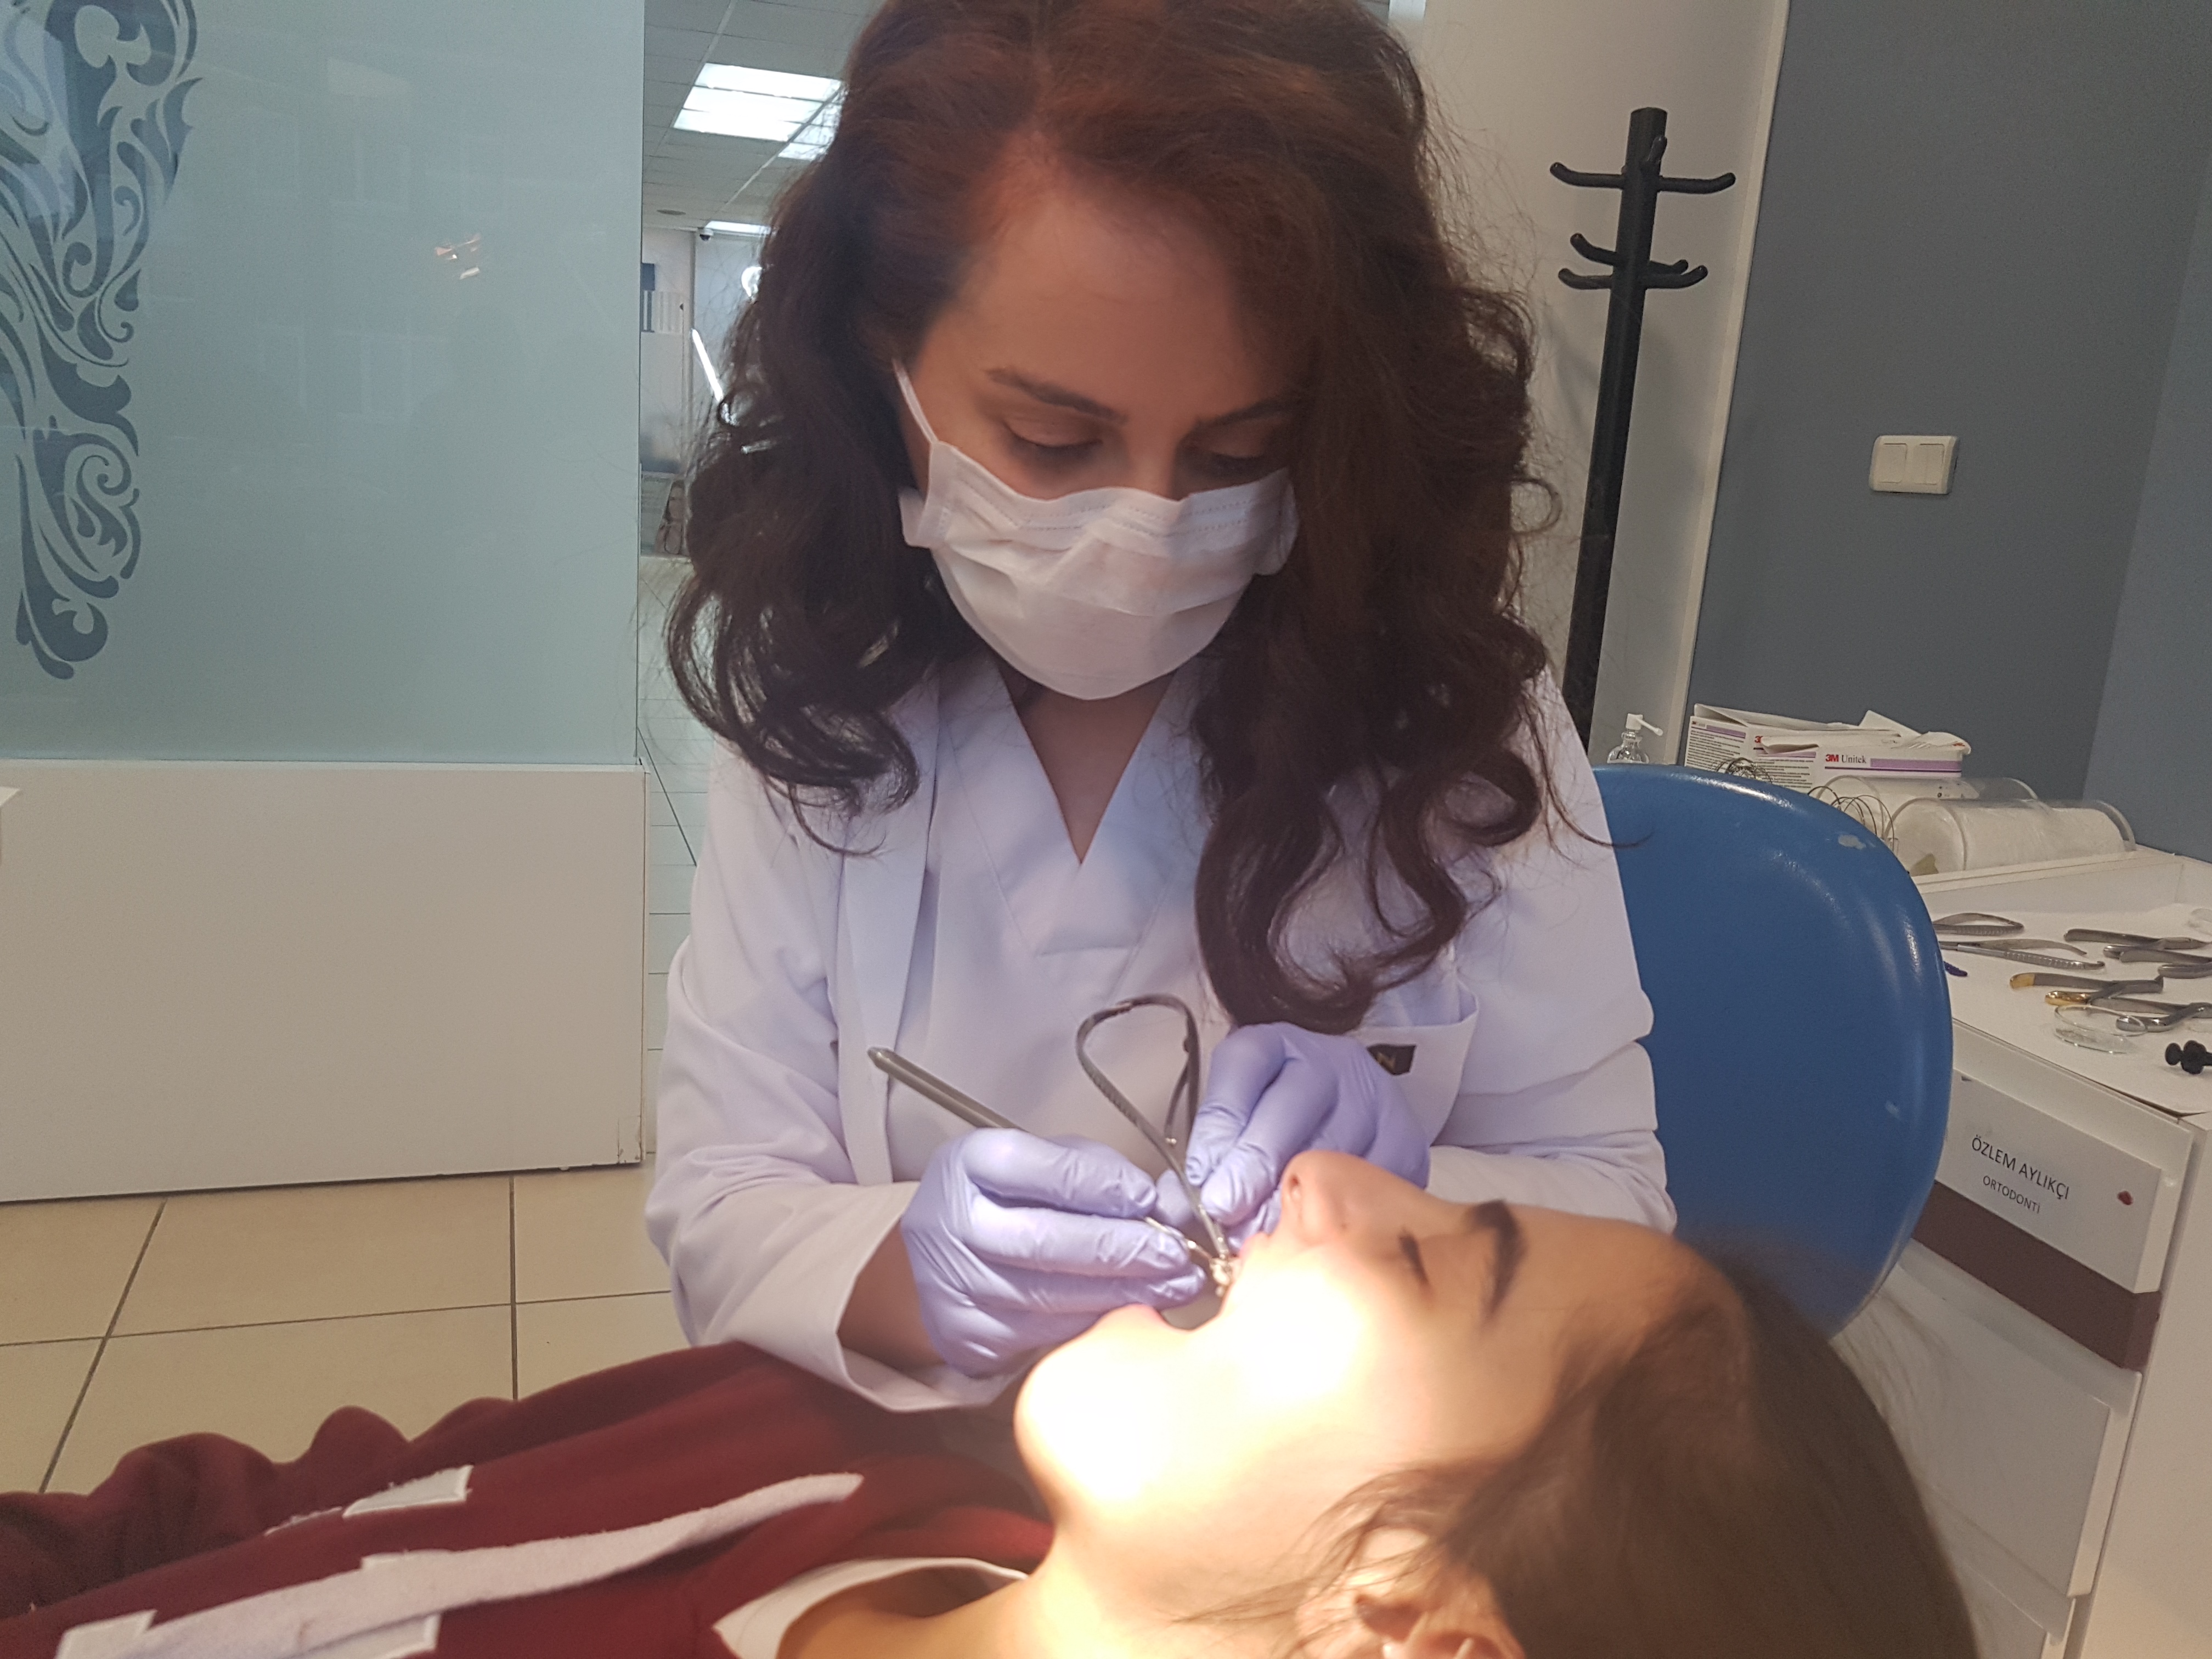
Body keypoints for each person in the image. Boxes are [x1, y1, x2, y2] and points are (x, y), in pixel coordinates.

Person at [651, 0, 1673, 1409]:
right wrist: (906, 1274)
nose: (1144, 532)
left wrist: (1408, 1196)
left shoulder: (1456, 723)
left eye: (1238, 453)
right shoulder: (824, 714)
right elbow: (724, 1203)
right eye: (1052, 438)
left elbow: (1616, 1208)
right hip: (920, 1456)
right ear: (881, 379)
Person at [0, 1155, 1976, 1659]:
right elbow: (283, 1518)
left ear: (1415, 1628)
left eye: (1422, 1259)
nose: (1322, 1176)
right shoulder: (808, 1444)